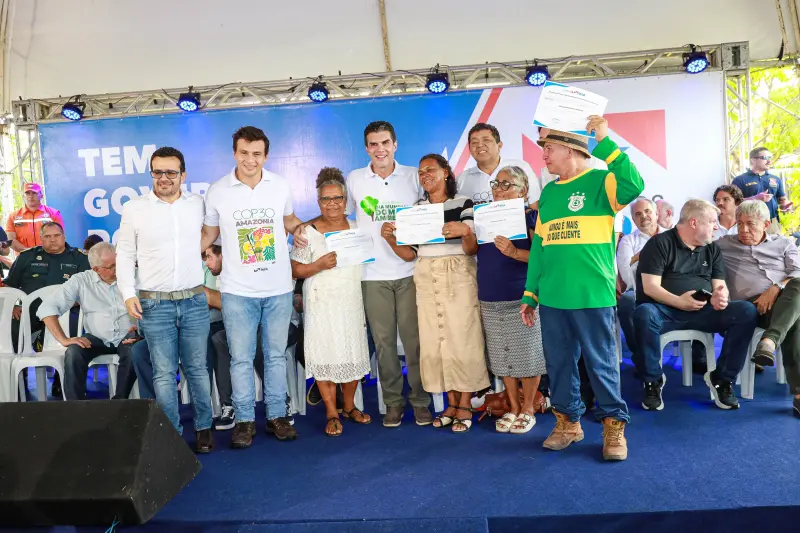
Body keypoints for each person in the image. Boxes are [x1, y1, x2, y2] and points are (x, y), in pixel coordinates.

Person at [520, 117, 643, 461]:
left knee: (601, 364)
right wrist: (530, 293)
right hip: (553, 296)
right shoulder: (549, 192)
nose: (543, 155)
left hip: (593, 294)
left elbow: (634, 184)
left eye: (549, 147)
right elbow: (540, 247)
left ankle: (614, 427)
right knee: (559, 365)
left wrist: (604, 139)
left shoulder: (603, 181)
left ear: (571, 149)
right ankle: (568, 423)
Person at [202, 126, 303, 447]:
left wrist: (302, 230)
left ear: (266, 156)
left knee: (274, 356)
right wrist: (180, 256)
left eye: (257, 154)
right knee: (240, 359)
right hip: (237, 290)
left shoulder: (280, 185)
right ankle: (245, 421)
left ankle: (277, 416)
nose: (250, 159)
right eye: (244, 153)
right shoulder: (218, 190)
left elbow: (289, 221)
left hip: (278, 287)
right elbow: (208, 234)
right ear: (234, 153)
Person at [117, 146, 214, 454]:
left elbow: (213, 233)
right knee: (163, 373)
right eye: (157, 172)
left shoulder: (197, 204)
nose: (164, 178)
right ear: (151, 174)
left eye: (171, 172)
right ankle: (171, 434)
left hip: (194, 301)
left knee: (197, 368)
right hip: (154, 304)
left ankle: (204, 428)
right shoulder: (134, 208)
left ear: (183, 175)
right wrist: (128, 294)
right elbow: (125, 254)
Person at [386, 153, 488, 433]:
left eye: (430, 169)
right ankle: (450, 405)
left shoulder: (463, 202)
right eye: (421, 172)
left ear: (446, 172)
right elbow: (410, 254)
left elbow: (472, 248)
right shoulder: (416, 210)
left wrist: (465, 232)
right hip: (425, 275)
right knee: (436, 339)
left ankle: (465, 404)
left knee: (462, 338)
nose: (425, 175)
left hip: (458, 272)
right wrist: (391, 240)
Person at [633, 199, 758, 411]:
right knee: (644, 313)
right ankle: (652, 382)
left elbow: (719, 286)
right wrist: (679, 302)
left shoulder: (712, 249)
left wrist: (720, 297)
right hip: (664, 311)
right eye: (712, 222)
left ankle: (722, 379)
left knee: (745, 311)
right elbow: (650, 287)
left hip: (703, 310)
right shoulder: (659, 243)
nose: (716, 227)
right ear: (694, 223)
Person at [345, 121, 432, 428]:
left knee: (415, 342)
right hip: (372, 274)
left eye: (385, 143)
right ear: (366, 148)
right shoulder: (355, 179)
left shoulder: (413, 176)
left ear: (395, 145)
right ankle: (393, 402)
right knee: (384, 345)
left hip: (410, 271)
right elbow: (342, 217)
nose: (379, 149)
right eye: (373, 144)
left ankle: (420, 401)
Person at [291, 168, 372, 436]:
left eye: (337, 198)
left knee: (352, 353)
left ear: (346, 200)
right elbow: (295, 270)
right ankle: (331, 412)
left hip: (350, 299)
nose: (333, 203)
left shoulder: (358, 228)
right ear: (318, 203)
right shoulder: (307, 232)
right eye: (326, 199)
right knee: (324, 355)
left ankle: (349, 406)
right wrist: (318, 265)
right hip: (321, 303)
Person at [476, 165, 545, 434]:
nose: (499, 189)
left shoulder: (532, 217)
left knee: (528, 355)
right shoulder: (484, 216)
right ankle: (513, 407)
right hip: (490, 295)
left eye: (507, 184)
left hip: (521, 296)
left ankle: (528, 408)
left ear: (523, 190)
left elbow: (543, 258)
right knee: (501, 356)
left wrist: (515, 253)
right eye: (496, 184)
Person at [716, 200, 800, 416]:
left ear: (766, 224)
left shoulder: (783, 244)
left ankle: (769, 341)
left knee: (798, 289)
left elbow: (798, 271)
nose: (744, 230)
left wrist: (776, 287)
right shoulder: (722, 244)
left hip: (784, 301)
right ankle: (798, 393)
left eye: (751, 224)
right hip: (751, 309)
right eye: (740, 224)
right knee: (796, 319)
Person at [37, 242, 140, 400]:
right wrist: (64, 339)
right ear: (96, 269)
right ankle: (75, 406)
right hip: (96, 338)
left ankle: (120, 402)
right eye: (111, 266)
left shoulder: (134, 276)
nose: (116, 270)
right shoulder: (81, 280)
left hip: (129, 336)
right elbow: (47, 308)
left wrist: (142, 331)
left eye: (117, 264)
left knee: (135, 350)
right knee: (73, 352)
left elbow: (155, 308)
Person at [4, 221, 90, 398]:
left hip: (65, 312)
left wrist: (75, 302)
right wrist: (13, 305)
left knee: (74, 329)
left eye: (56, 236)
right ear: (41, 239)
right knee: (10, 328)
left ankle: (62, 380)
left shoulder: (79, 258)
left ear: (64, 237)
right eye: (47, 237)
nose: (52, 240)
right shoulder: (27, 256)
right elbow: (9, 286)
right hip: (29, 313)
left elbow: (88, 289)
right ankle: (19, 380)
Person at [616, 197, 662, 363]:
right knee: (627, 301)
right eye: (638, 214)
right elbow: (628, 276)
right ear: (634, 220)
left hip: (671, 289)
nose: (643, 216)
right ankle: (641, 356)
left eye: (647, 211)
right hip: (639, 290)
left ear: (656, 213)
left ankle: (697, 356)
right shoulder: (628, 241)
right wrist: (645, 254)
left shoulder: (672, 236)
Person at [456, 123, 539, 207]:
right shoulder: (461, 180)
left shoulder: (521, 167)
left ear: (499, 145)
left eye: (486, 140)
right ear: (469, 149)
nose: (480, 145)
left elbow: (535, 206)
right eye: (474, 142)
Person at [732, 147, 789, 234]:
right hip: (750, 222)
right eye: (765, 158)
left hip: (772, 222)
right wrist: (755, 198)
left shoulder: (776, 179)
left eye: (770, 158)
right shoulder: (740, 180)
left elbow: (782, 200)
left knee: (774, 243)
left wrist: (785, 206)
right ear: (753, 160)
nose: (769, 161)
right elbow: (733, 203)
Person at [5, 182, 65, 253]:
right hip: (24, 256)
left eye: (34, 193)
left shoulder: (54, 213)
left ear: (41, 195)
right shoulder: (13, 216)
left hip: (49, 255)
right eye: (27, 193)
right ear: (23, 196)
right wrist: (28, 253)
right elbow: (10, 239)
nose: (31, 196)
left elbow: (59, 237)